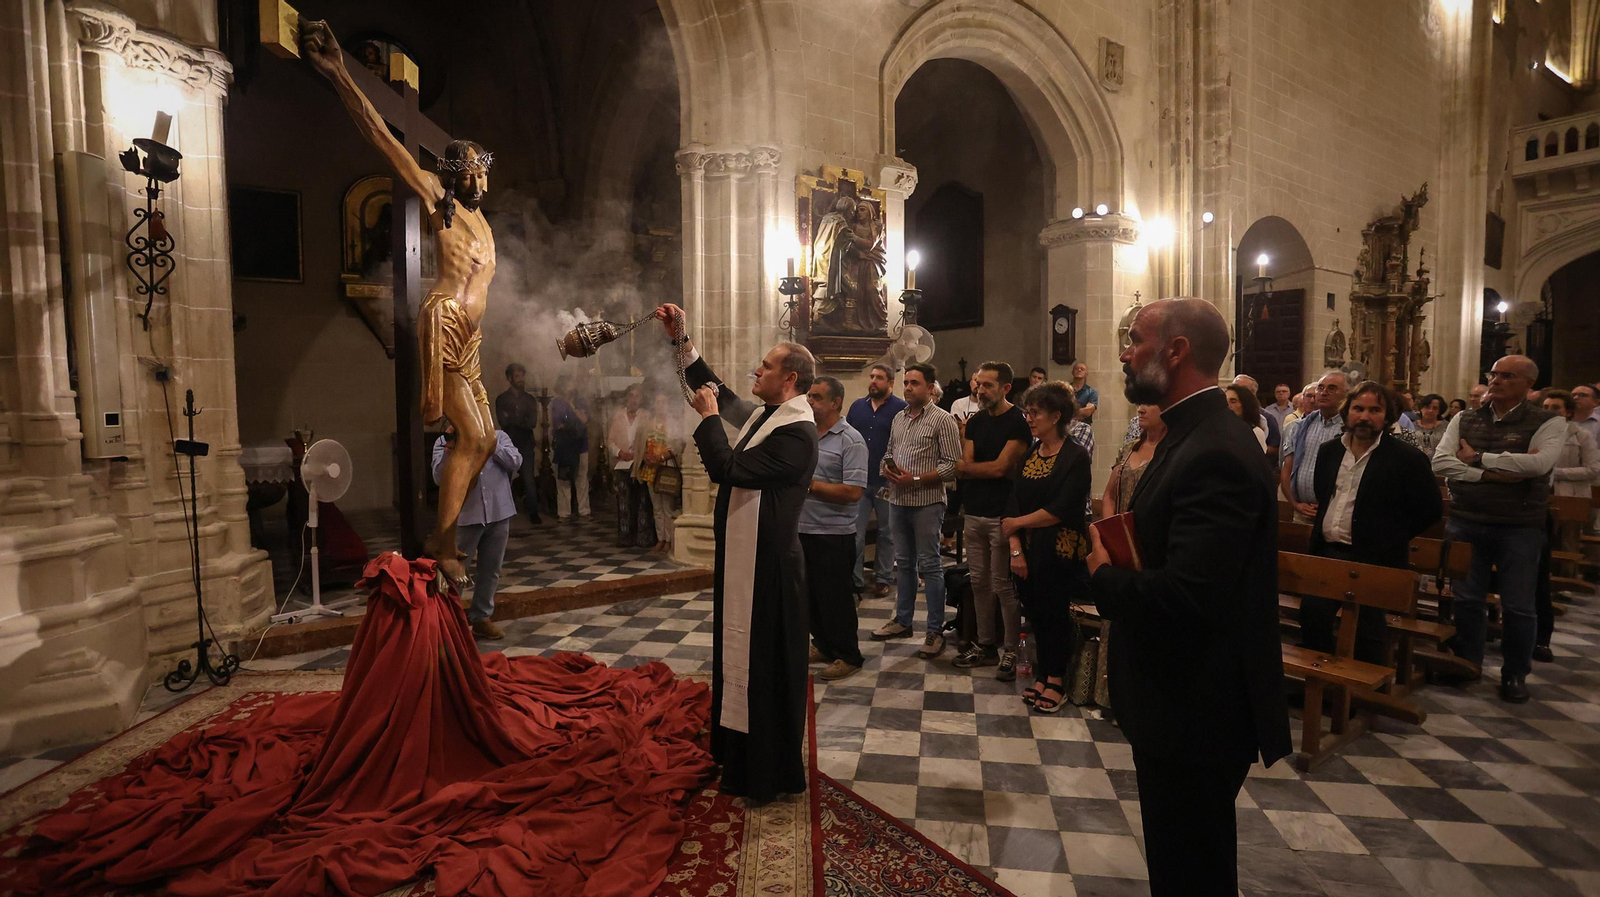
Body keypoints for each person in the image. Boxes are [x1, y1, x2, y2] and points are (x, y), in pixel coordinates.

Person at [1085, 297, 1291, 897]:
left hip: (1197, 704)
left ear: (1176, 351)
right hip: (1180, 694)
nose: (1125, 352)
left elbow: (1191, 595)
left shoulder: (1216, 451)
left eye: (1136, 340)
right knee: (1182, 861)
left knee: (1191, 870)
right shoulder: (1192, 434)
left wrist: (1104, 575)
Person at [304, 21, 497, 584]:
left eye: (483, 174)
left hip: (471, 336)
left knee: (484, 441)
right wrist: (341, 73)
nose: (480, 183)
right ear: (456, 174)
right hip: (443, 320)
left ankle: (444, 537)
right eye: (473, 173)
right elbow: (384, 138)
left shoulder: (483, 220)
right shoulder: (440, 202)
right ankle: (446, 547)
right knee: (471, 436)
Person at [655, 302, 819, 802]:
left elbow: (730, 469)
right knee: (740, 659)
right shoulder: (768, 417)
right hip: (748, 562)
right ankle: (737, 753)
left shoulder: (796, 434)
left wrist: (706, 422)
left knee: (764, 668)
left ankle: (766, 771)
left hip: (768, 570)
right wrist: (682, 339)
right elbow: (720, 391)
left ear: (788, 378)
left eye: (766, 366)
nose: (756, 370)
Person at [1431, 355, 1565, 703]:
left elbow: (1538, 464)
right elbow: (1442, 462)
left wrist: (1478, 458)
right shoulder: (1465, 417)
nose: (1495, 381)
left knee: (1519, 605)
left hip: (1518, 526)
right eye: (1493, 374)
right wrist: (1495, 473)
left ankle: (1515, 673)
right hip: (1466, 519)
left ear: (1528, 384)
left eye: (1507, 376)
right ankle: (1468, 663)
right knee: (1466, 599)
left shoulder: (1548, 422)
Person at [1300, 382, 1442, 665]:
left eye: (1374, 410)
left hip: (1376, 557)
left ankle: (1361, 695)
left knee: (1369, 628)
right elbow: (1324, 492)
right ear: (1347, 413)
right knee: (1312, 616)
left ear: (1387, 416)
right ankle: (1322, 682)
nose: (1364, 416)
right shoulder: (1330, 451)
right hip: (1329, 552)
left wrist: (1390, 535)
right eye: (1358, 409)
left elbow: (1430, 509)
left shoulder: (1406, 458)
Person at [1000, 382, 1091, 714]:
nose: (1029, 417)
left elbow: (1061, 509)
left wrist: (1017, 525)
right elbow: (1012, 505)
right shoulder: (1030, 454)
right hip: (1026, 550)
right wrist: (1015, 548)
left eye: (1035, 412)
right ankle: (1042, 674)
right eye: (1028, 411)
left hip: (1059, 549)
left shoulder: (1075, 457)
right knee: (1036, 615)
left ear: (1056, 416)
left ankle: (1057, 679)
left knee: (1055, 614)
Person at [872, 363, 962, 658]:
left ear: (930, 387)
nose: (908, 388)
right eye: (906, 383)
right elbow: (889, 451)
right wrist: (887, 467)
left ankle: (934, 630)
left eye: (914, 383)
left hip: (927, 502)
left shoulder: (942, 420)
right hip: (897, 500)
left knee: (930, 565)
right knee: (904, 563)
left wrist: (918, 479)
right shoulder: (899, 418)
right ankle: (903, 620)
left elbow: (952, 465)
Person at [952, 362, 1031, 678]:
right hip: (974, 511)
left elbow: (999, 469)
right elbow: (967, 463)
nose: (979, 390)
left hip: (1003, 515)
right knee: (978, 582)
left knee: (1002, 585)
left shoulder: (1018, 423)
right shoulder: (974, 423)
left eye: (987, 385)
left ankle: (1010, 650)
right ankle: (984, 645)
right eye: (978, 385)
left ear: (1005, 388)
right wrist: (973, 468)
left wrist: (970, 469)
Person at [801, 376, 868, 681]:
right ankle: (825, 645)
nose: (809, 401)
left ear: (836, 403)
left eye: (816, 397)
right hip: (802, 529)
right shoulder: (805, 434)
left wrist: (809, 486)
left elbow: (853, 491)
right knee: (810, 597)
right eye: (809, 396)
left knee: (835, 599)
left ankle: (848, 655)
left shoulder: (850, 440)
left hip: (833, 533)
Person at [431, 424, 521, 640]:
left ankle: (481, 618)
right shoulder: (444, 442)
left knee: (491, 570)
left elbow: (516, 461)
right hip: (465, 516)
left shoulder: (499, 435)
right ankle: (451, 623)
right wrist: (450, 449)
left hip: (499, 513)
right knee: (456, 573)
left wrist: (493, 444)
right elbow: (438, 477)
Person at [1534, 388, 1600, 662]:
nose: (1551, 412)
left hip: (1569, 493)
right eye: (1546, 407)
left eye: (1556, 408)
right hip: (1540, 498)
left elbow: (1594, 469)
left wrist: (1553, 471)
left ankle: (1562, 583)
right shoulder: (1537, 433)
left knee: (1568, 540)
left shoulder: (1580, 435)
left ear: (1568, 412)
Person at [848, 364, 906, 597]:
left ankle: (883, 577)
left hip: (886, 481)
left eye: (879, 378)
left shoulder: (901, 409)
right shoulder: (857, 407)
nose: (873, 381)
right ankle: (854, 578)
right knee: (855, 533)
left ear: (891, 383)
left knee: (887, 532)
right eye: (872, 377)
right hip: (859, 480)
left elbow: (905, 444)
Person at [1281, 371, 1350, 523]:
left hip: (1336, 515)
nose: (1323, 392)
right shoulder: (1299, 427)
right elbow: (1287, 469)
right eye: (1320, 388)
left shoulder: (1349, 429)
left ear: (1346, 394)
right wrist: (1295, 504)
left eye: (1331, 388)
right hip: (1302, 512)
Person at [632, 391, 686, 554]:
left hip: (667, 469)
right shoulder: (648, 424)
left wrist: (662, 456)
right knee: (656, 507)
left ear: (668, 405)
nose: (660, 405)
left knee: (668, 507)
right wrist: (646, 457)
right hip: (651, 470)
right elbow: (639, 445)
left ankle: (669, 540)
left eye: (663, 402)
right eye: (657, 402)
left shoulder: (674, 424)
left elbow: (677, 447)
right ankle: (660, 539)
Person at [495, 362, 543, 525]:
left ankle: (533, 513)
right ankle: (503, 513)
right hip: (508, 444)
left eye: (522, 376)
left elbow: (532, 423)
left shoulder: (529, 400)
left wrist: (513, 419)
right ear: (509, 379)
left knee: (528, 479)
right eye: (517, 376)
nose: (521, 380)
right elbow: (503, 421)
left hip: (525, 444)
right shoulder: (502, 399)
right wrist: (519, 420)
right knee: (504, 479)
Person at [609, 384, 655, 548]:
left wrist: (640, 453)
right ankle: (625, 536)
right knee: (624, 502)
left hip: (640, 463)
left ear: (641, 399)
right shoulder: (618, 416)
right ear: (626, 398)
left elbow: (651, 438)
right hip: (622, 464)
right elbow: (610, 441)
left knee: (643, 500)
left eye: (637, 396)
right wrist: (620, 452)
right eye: (631, 396)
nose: (633, 399)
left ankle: (643, 536)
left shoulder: (646, 416)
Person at [550, 374, 592, 520]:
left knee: (581, 477)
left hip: (580, 445)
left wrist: (573, 408)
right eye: (569, 382)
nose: (572, 385)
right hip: (564, 446)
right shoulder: (557, 403)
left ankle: (584, 510)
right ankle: (564, 511)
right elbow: (558, 424)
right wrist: (573, 425)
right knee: (563, 480)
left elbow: (584, 420)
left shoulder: (580, 401)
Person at [1233, 375, 1280, 459]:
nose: (1236, 393)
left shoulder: (1267, 418)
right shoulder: (1225, 416)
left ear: (1253, 393)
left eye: (1242, 390)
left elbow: (1276, 449)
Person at [1400, 393, 1449, 458]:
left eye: (1435, 408)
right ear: (1421, 408)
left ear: (1440, 411)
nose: (1430, 411)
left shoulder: (1447, 427)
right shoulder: (1411, 426)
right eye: (1427, 407)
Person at [1225, 383, 1269, 453]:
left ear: (1245, 404)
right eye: (1225, 401)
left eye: (1233, 401)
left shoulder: (1255, 432)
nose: (1228, 405)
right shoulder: (1219, 429)